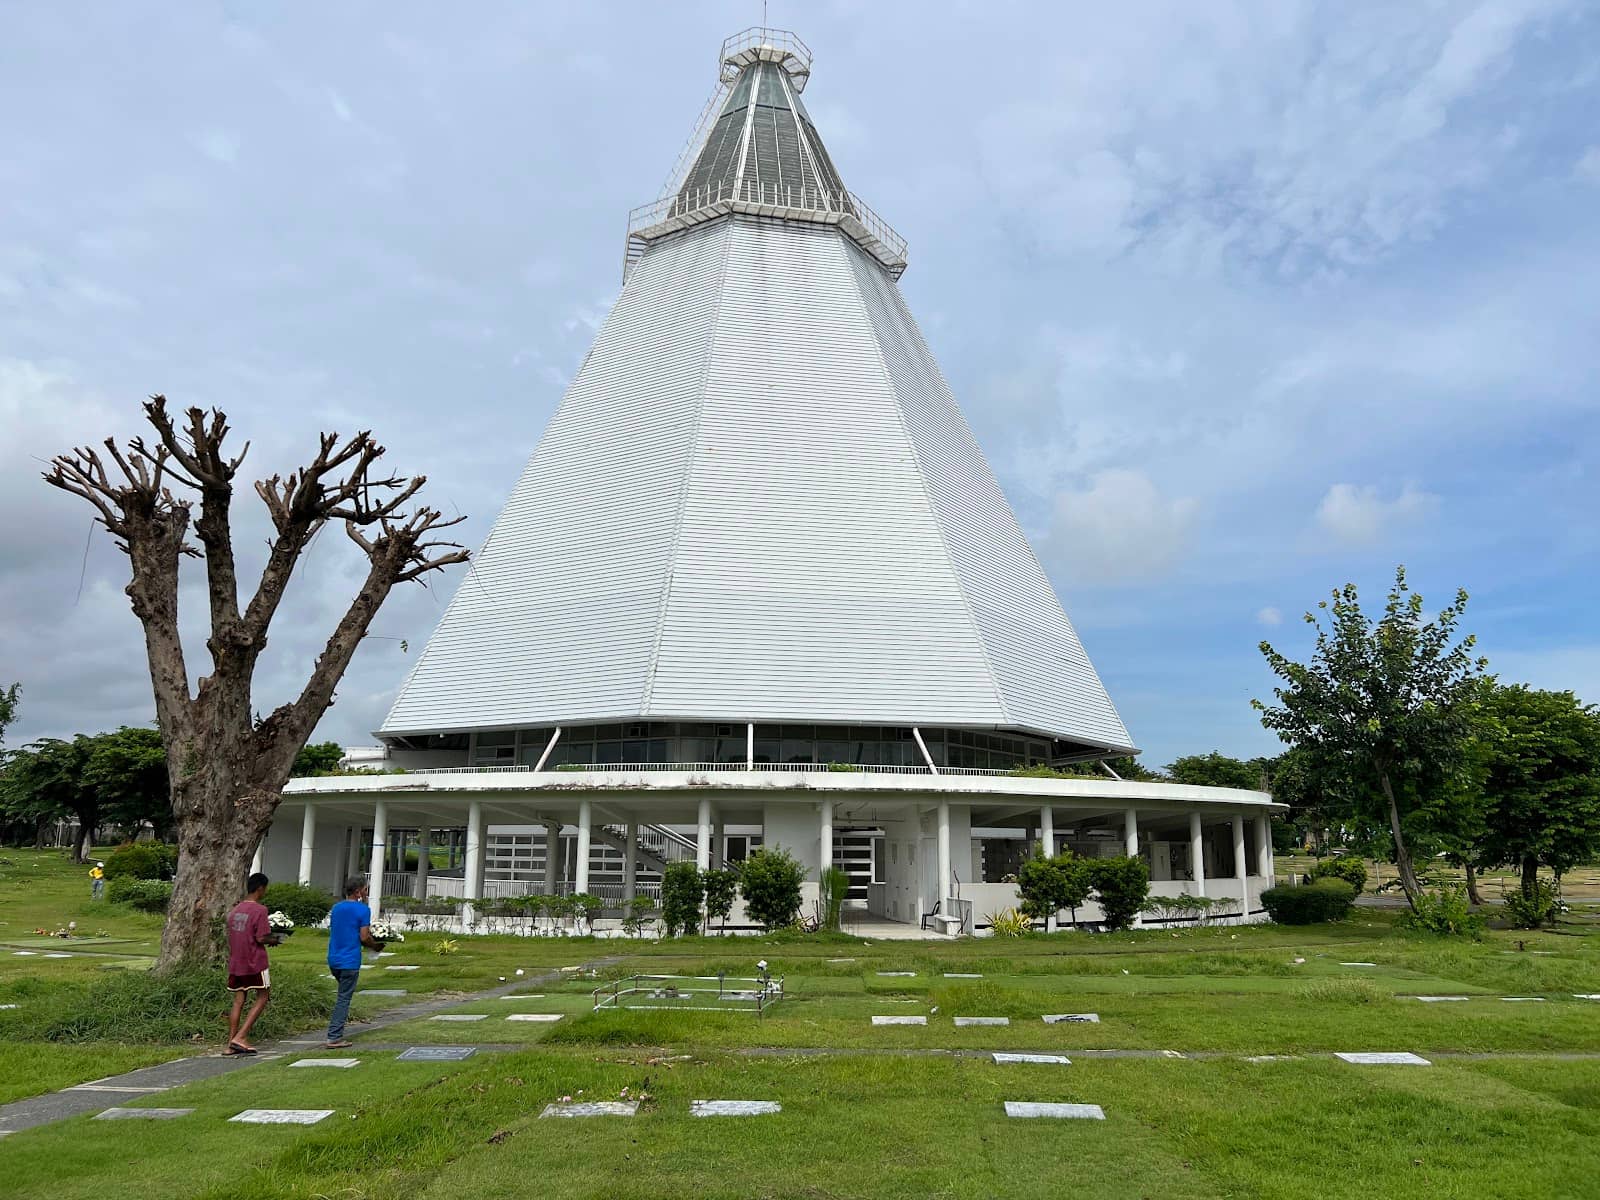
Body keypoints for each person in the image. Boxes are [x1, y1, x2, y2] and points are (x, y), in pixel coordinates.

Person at [325, 877, 383, 1049]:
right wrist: (376, 946)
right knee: (343, 998)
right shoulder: (363, 910)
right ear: (358, 891)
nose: (367, 892)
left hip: (334, 958)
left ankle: (335, 1032)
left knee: (342, 995)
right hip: (349, 960)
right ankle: (334, 1037)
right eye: (365, 889)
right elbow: (364, 937)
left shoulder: (336, 908)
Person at [225, 872, 279, 1055]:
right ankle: (241, 1036)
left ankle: (230, 1044)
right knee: (263, 996)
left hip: (236, 961)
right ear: (260, 888)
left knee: (238, 1001)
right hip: (254, 962)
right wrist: (274, 939)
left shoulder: (235, 910)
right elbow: (261, 937)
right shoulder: (260, 910)